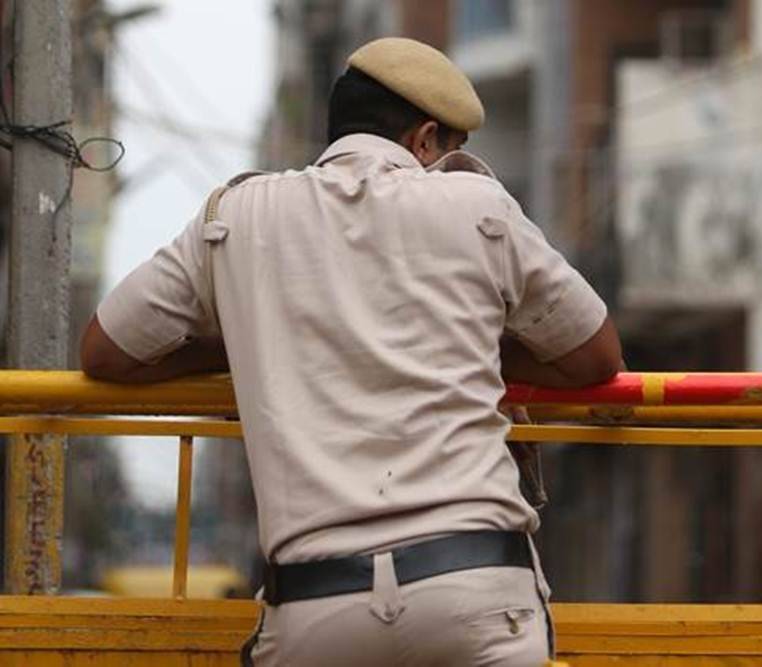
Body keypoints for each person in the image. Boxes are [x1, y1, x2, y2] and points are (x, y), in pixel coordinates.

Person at [80, 37, 622, 666]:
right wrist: (469, 344)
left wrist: (249, 342)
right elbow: (596, 358)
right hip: (477, 592)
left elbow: (105, 352)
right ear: (424, 140)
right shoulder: (477, 206)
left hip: (316, 606)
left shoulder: (237, 213)